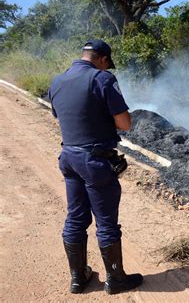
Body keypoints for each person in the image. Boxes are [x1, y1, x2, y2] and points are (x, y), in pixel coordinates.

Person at [48, 40, 143, 295]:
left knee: (76, 218)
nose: (107, 67)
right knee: (106, 223)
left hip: (68, 158)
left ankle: (78, 279)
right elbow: (125, 123)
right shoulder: (102, 79)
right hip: (94, 161)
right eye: (107, 63)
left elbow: (60, 116)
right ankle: (116, 279)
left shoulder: (57, 81)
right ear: (101, 59)